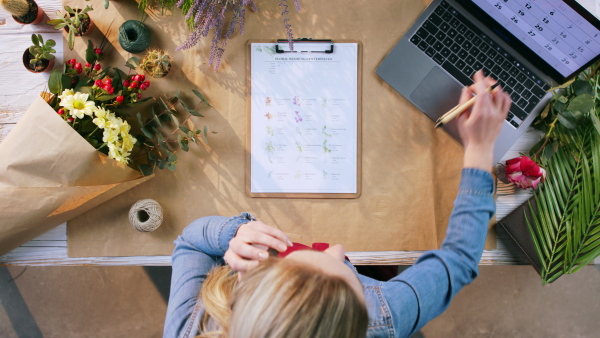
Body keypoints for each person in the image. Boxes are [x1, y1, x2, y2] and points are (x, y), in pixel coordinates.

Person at [163, 70, 511, 338]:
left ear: (246, 283)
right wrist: (480, 149)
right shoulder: (385, 315)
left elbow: (190, 241)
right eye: (348, 277)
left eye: (305, 259)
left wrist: (233, 233)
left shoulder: (191, 328)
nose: (339, 247)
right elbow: (459, 260)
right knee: (383, 266)